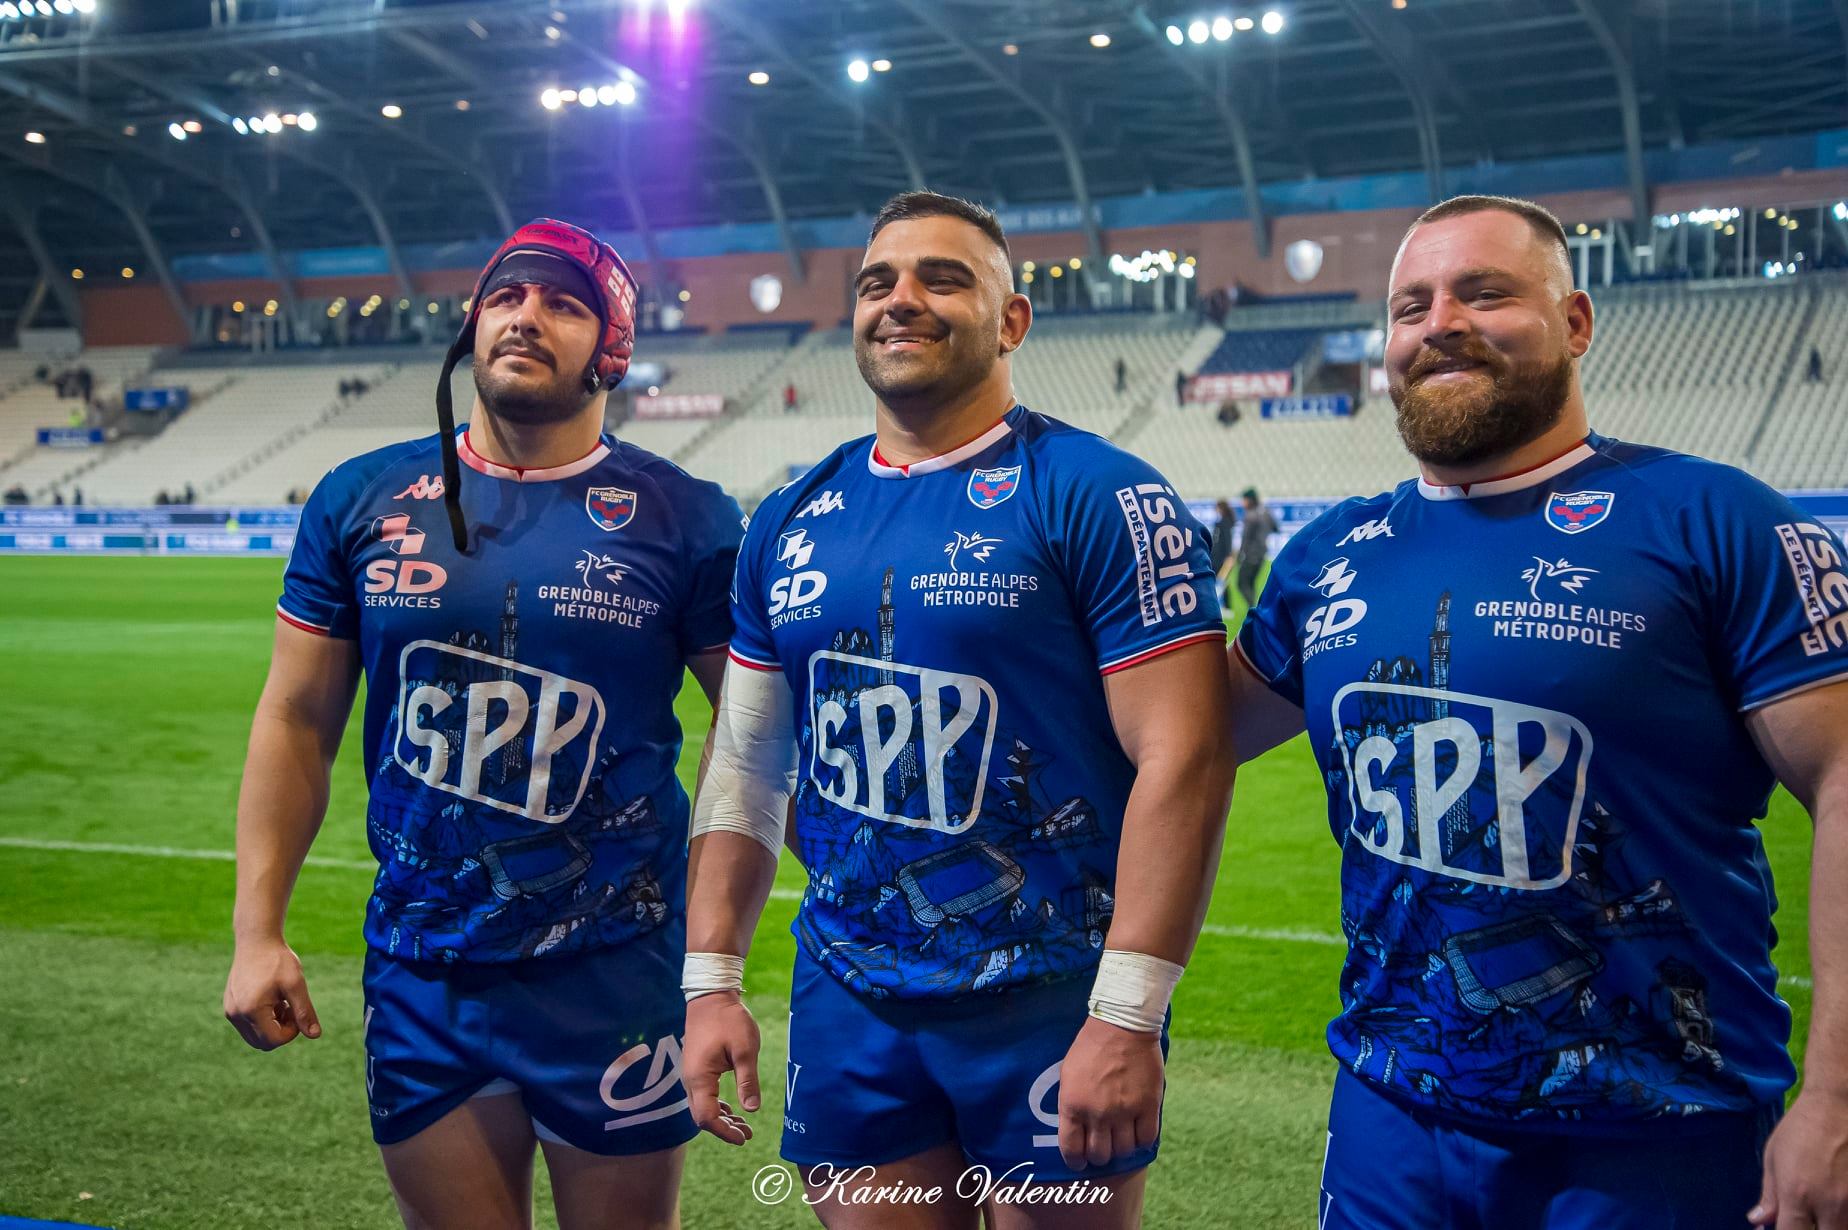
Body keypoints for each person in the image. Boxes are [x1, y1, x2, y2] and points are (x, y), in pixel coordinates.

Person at [1226, 194, 1848, 1230]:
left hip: (1661, 1134)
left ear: (1576, 322)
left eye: (1486, 292)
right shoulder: (1325, 556)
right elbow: (1175, 741)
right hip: (1390, 1116)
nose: (1441, 324)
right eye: (1411, 305)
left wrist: (1834, 1094)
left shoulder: (1713, 520)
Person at [681, 190, 1234, 1228]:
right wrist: (709, 977)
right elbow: (748, 768)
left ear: (1011, 319)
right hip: (851, 992)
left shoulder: (1097, 491)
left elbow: (1187, 758)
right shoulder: (790, 519)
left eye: (945, 278)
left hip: (1050, 997)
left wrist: (1127, 1015)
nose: (903, 300)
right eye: (878, 282)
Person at [223, 218, 745, 1230]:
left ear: (614, 347)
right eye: (507, 296)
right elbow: (294, 718)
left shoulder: (687, 515)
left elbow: (751, 736)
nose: (526, 317)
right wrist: (258, 932)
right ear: (471, 325)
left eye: (564, 303)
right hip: (424, 973)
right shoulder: (359, 499)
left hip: (617, 974)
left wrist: (715, 960)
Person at [1223, 486, 1274, 614]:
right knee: (1250, 584)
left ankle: (1254, 610)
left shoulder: (1250, 515)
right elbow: (1276, 527)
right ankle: (1255, 609)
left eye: (1244, 499)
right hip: (1262, 554)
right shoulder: (1265, 513)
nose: (1242, 503)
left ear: (1250, 500)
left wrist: (1239, 556)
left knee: (1242, 583)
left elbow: (1245, 538)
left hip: (1251, 555)